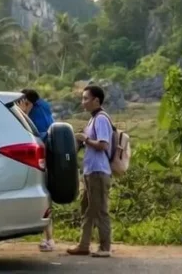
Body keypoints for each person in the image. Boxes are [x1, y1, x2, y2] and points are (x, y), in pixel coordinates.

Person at [68, 85, 114, 258]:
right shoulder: (93, 119)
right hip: (90, 171)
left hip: (98, 171)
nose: (83, 102)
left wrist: (85, 139)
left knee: (100, 209)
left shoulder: (101, 118)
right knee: (87, 208)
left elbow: (103, 145)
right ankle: (84, 244)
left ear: (96, 100)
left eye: (86, 98)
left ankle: (105, 247)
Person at [17, 88, 56, 252]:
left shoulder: (36, 117)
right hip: (49, 162)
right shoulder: (43, 108)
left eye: (20, 103)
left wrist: (23, 113)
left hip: (43, 163)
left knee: (44, 201)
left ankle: (50, 239)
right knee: (46, 200)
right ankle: (48, 238)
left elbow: (36, 137)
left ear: (27, 102)